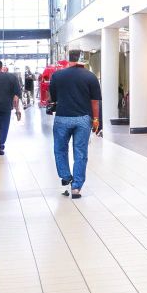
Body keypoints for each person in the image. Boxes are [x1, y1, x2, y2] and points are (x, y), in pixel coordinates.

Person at [46, 49, 104, 199]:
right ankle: (76, 188)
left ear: (68, 58)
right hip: (83, 119)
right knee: (80, 152)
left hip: (62, 118)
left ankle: (66, 177)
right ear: (82, 59)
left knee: (60, 149)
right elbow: (95, 102)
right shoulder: (90, 77)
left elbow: (53, 98)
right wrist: (96, 120)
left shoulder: (57, 76)